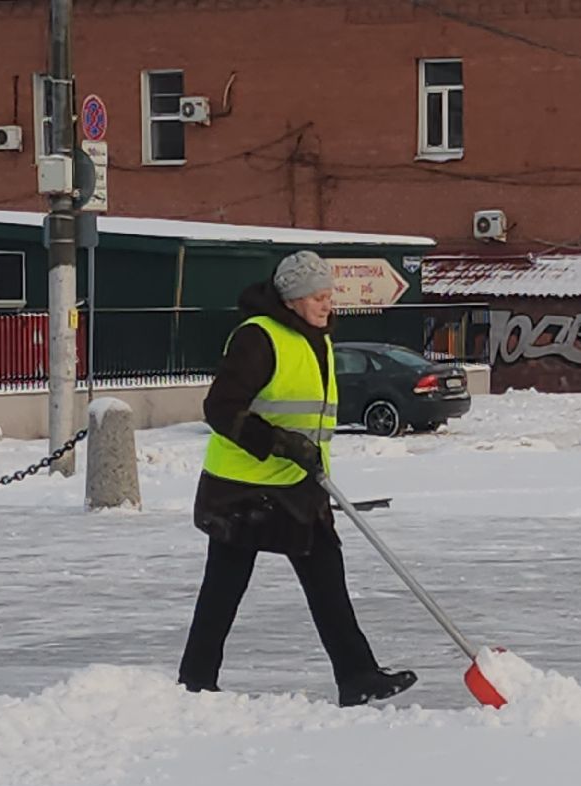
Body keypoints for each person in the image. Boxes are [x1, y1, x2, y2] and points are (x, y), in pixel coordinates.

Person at [178, 250, 418, 707]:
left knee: (326, 576)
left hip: (300, 484)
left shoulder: (316, 339)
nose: (328, 304)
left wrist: (304, 455)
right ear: (291, 299)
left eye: (329, 295)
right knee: (225, 584)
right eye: (317, 297)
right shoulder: (259, 338)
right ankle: (195, 681)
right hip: (244, 488)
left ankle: (357, 676)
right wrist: (278, 442)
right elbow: (221, 408)